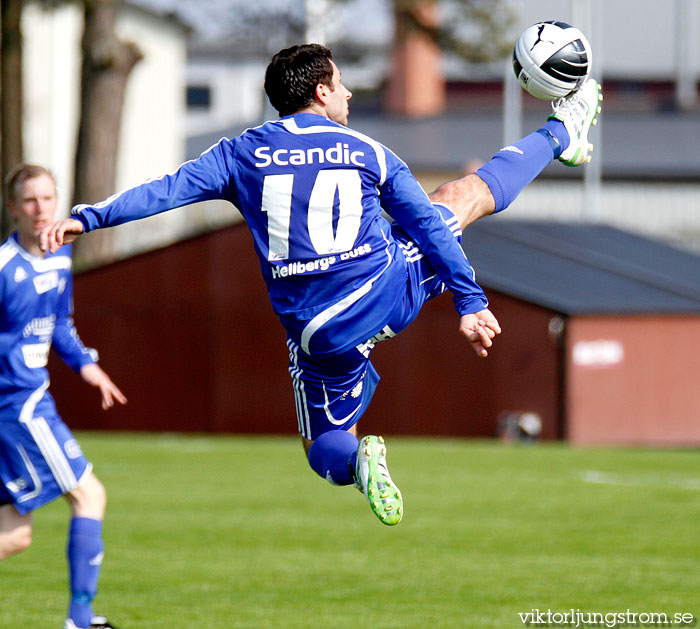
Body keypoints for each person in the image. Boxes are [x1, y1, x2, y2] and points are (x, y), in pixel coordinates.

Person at [40, 44, 602, 527]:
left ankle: (358, 465)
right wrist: (469, 301)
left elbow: (163, 191)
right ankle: (561, 131)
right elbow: (429, 226)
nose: (350, 93)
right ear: (320, 91)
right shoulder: (367, 152)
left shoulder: (240, 153)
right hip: (384, 289)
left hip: (316, 332)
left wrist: (87, 219)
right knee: (462, 196)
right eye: (341, 83)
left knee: (322, 446)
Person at [0, 164, 126, 629]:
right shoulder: (3, 269)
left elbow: (60, 326)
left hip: (29, 403)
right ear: (12, 208)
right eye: (29, 200)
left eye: (47, 199)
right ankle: (80, 620)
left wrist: (88, 367)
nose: (40, 209)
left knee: (14, 535)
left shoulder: (58, 259)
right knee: (89, 495)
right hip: (18, 407)